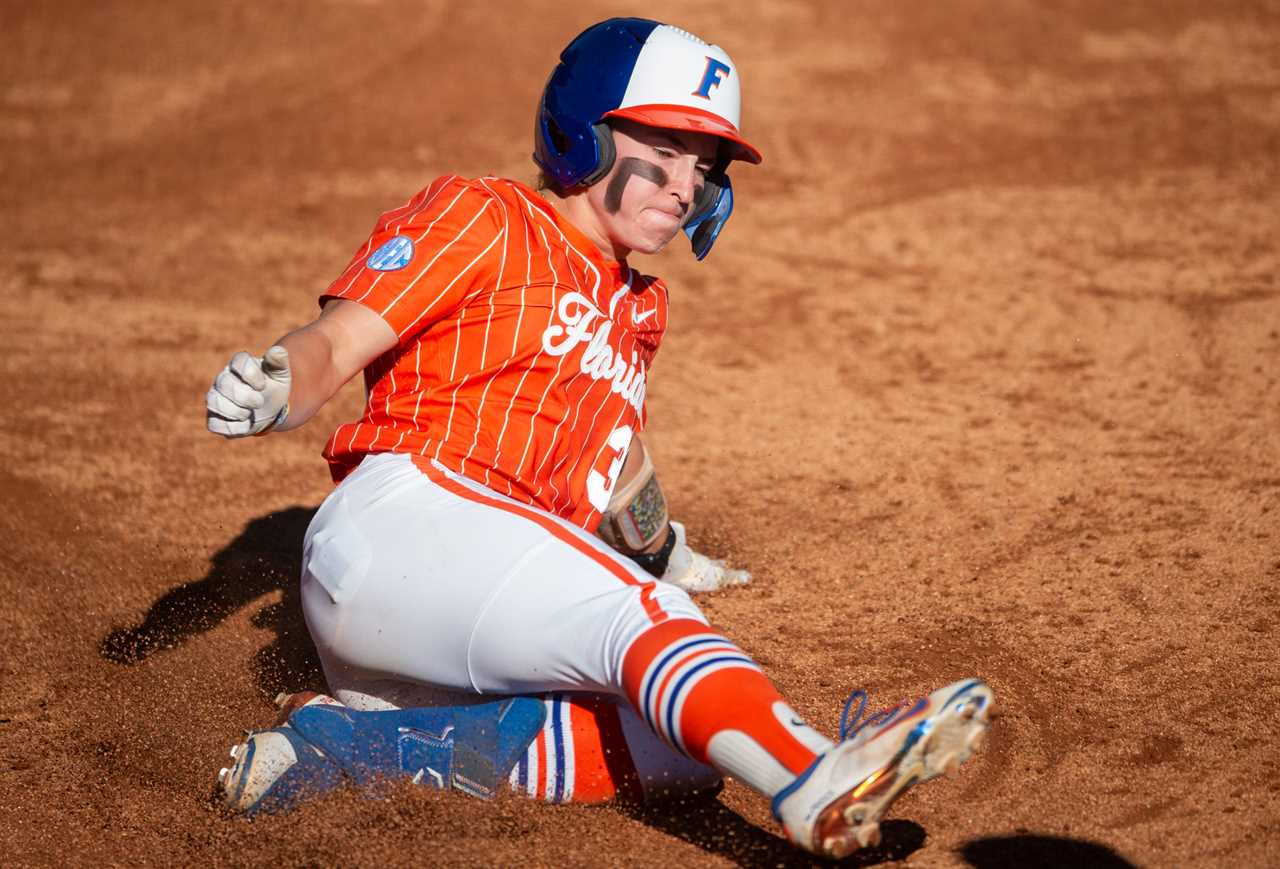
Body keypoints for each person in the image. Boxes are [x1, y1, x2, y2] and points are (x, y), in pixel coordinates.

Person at [205, 17, 993, 858]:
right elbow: (335, 343)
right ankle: (818, 777)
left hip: (450, 623)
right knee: (645, 616)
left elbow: (616, 464)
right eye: (667, 144)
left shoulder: (640, 308)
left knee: (679, 751)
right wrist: (283, 381)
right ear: (587, 129)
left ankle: (354, 752)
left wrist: (664, 545)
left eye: (706, 164)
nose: (689, 183)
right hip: (404, 521)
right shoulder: (487, 217)